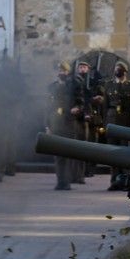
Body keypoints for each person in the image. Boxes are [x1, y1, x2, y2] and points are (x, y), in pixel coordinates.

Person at [102, 61, 130, 190]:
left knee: (124, 153)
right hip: (111, 120)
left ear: (125, 71)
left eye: (119, 69)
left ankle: (125, 181)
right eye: (116, 69)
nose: (117, 71)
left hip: (125, 122)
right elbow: (105, 107)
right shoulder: (108, 85)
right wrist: (104, 124)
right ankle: (114, 181)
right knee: (112, 152)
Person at [46, 61, 76, 190]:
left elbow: (78, 102)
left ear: (67, 72)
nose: (61, 73)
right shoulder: (52, 87)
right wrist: (47, 125)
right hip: (55, 123)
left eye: (64, 71)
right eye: (60, 71)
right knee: (57, 155)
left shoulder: (72, 86)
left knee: (67, 154)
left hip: (68, 122)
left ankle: (67, 181)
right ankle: (60, 181)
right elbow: (47, 108)